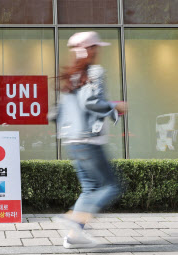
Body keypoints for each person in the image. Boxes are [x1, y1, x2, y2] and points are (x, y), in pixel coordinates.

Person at [52, 31, 128, 249]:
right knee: (113, 186)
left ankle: (73, 236)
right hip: (88, 140)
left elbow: (65, 109)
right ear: (90, 49)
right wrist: (115, 107)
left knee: (90, 188)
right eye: (96, 47)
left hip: (72, 139)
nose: (98, 51)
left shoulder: (72, 75)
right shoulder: (94, 71)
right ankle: (73, 219)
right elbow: (90, 101)